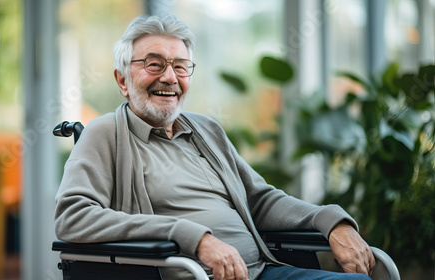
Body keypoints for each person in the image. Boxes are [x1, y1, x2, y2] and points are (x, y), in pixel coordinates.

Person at [54, 14, 375, 280]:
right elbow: (73, 217)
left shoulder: (206, 130)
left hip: (262, 272)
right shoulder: (106, 133)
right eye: (154, 65)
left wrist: (331, 222)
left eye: (180, 66)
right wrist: (190, 236)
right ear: (122, 80)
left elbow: (259, 200)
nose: (170, 77)